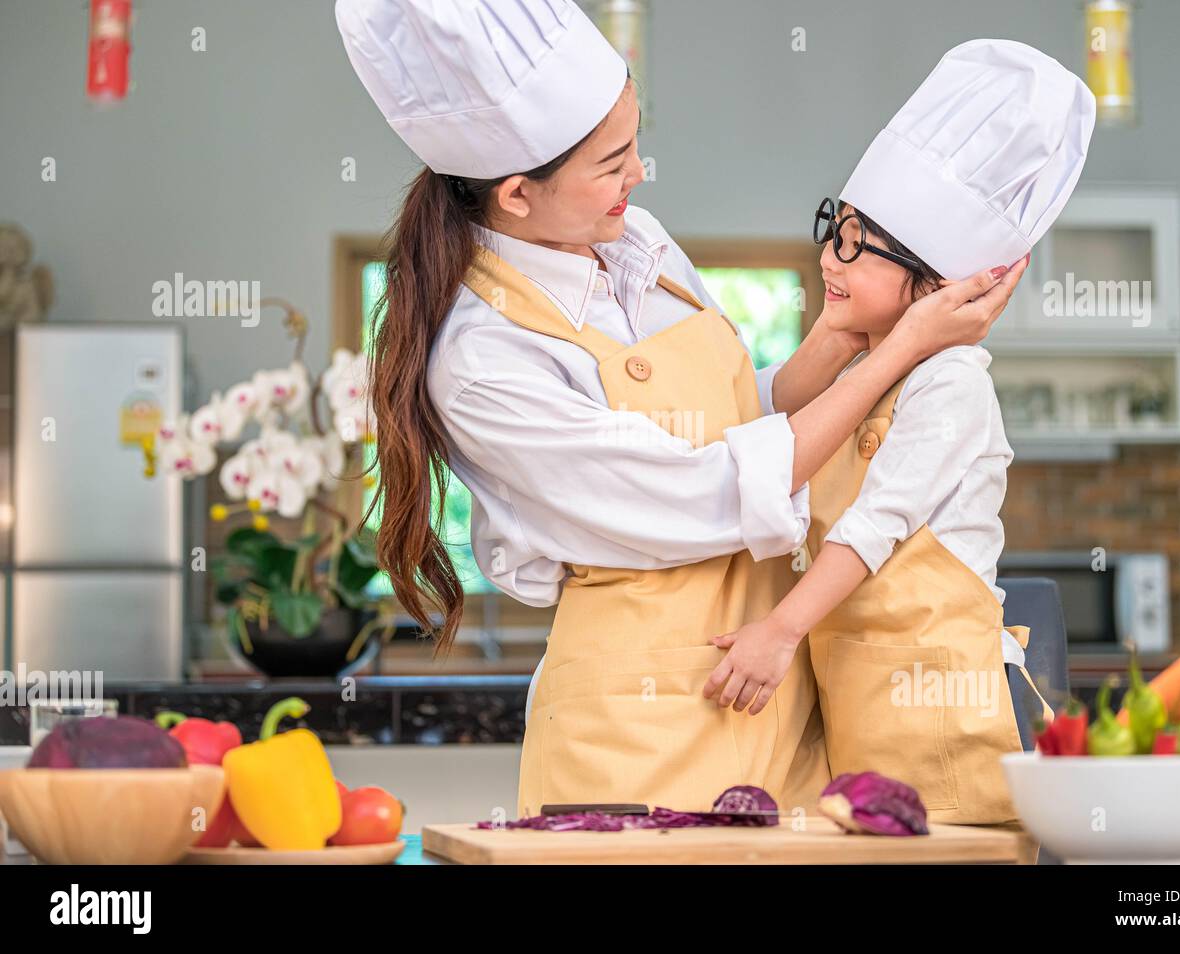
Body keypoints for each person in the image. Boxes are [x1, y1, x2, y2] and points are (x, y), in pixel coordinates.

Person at [336, 1, 1026, 814]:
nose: (638, 174)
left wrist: (843, 336)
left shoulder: (637, 240)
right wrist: (902, 349)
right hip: (634, 738)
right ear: (518, 194)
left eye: (635, 140)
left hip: (773, 707)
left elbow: (743, 419)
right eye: (612, 160)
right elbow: (713, 490)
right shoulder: (483, 360)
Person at [704, 39, 1095, 824]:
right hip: (866, 703)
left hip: (954, 712)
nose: (828, 256)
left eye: (856, 244)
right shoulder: (869, 373)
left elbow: (876, 522)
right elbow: (762, 433)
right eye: (832, 228)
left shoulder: (951, 383)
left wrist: (780, 630)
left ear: (934, 281)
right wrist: (841, 334)